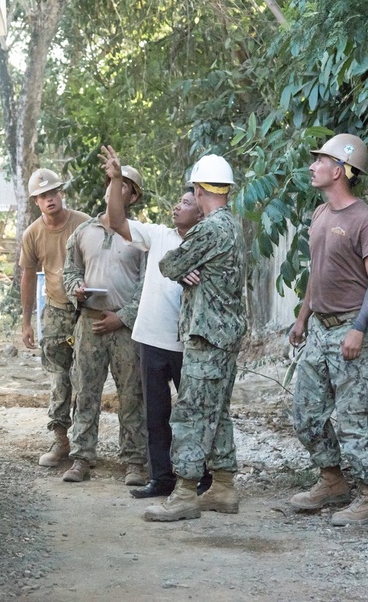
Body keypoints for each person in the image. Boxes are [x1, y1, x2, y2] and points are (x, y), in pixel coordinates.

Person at [286, 133, 368, 526]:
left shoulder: (364, 219)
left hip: (351, 330)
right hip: (319, 330)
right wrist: (301, 319)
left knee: (356, 418)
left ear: (341, 170)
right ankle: (331, 481)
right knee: (305, 414)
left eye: (320, 160)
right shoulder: (320, 214)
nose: (313, 166)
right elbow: (317, 272)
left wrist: (359, 329)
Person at [144, 153, 247, 522]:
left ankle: (186, 492)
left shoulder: (208, 229)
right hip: (227, 335)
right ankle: (222, 486)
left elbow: (170, 264)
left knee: (190, 413)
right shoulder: (232, 226)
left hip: (206, 335)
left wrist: (186, 266)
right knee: (217, 413)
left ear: (199, 189)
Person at [99, 145, 205, 499]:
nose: (178, 206)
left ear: (203, 212)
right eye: (177, 202)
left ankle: (200, 477)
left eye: (187, 202)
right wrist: (116, 180)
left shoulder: (209, 245)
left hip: (188, 343)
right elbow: (116, 221)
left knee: (192, 413)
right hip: (150, 340)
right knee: (155, 414)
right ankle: (162, 478)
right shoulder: (159, 235)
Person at [59, 166, 148, 486]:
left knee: (132, 396)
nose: (114, 189)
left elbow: (147, 285)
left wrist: (123, 317)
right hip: (90, 324)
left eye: (122, 186)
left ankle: (135, 461)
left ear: (133, 196)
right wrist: (76, 290)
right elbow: (69, 273)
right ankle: (82, 457)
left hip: (125, 329)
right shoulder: (83, 232)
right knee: (85, 392)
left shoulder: (141, 236)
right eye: (110, 183)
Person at [20, 168, 91, 466]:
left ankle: (85, 446)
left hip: (87, 310)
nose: (49, 199)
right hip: (55, 311)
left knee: (88, 377)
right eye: (42, 196)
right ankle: (60, 439)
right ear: (36, 201)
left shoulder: (84, 223)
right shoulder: (33, 233)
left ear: (61, 193)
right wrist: (26, 320)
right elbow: (26, 276)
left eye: (53, 193)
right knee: (59, 377)